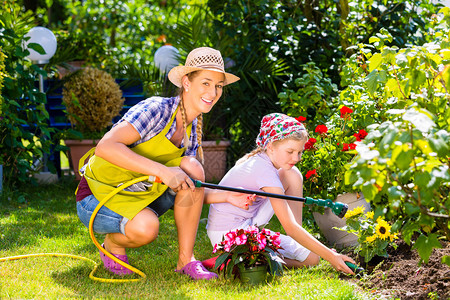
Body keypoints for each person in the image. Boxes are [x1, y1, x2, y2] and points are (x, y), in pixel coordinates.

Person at [75, 47, 240, 280]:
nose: (212, 92)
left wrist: (229, 197)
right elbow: (106, 147)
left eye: (218, 86)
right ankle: (112, 243)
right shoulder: (156, 110)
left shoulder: (192, 131)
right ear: (186, 82)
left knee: (193, 169)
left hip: (138, 193)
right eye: (205, 83)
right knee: (146, 228)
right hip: (98, 196)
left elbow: (193, 189)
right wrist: (162, 170)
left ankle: (186, 260)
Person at [203, 113, 356, 275]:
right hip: (227, 235)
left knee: (293, 175)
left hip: (246, 223)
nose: (296, 157)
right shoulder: (264, 170)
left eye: (299, 152)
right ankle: (235, 262)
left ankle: (258, 257)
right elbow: (290, 227)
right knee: (312, 258)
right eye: (290, 151)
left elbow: (292, 226)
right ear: (270, 146)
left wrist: (315, 248)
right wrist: (331, 256)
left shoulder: (267, 163)